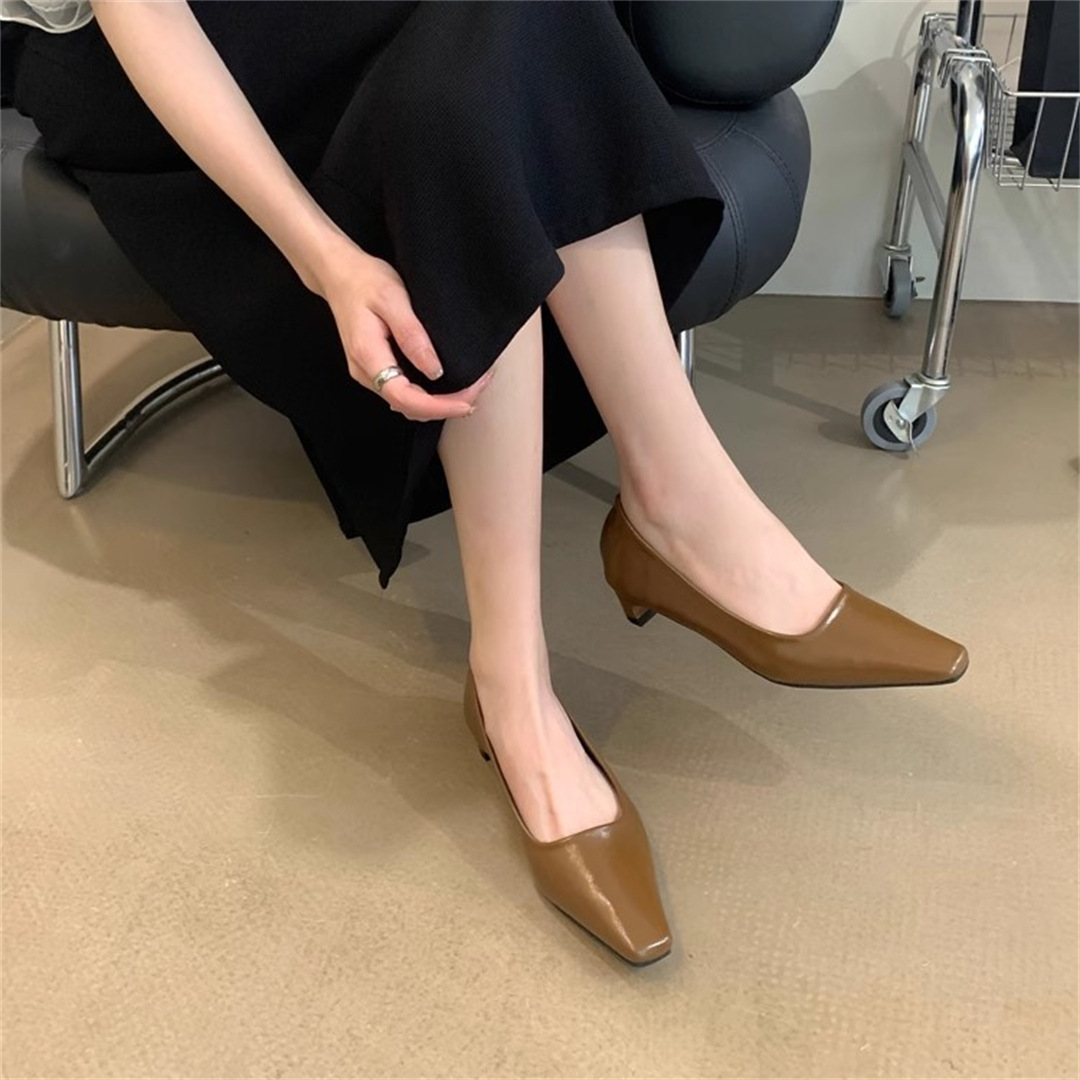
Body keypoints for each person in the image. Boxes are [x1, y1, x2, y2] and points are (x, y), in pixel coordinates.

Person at [4, 0, 968, 966]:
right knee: (472, 89)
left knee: (492, 48)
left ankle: (629, 552)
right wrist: (328, 261)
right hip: (143, 62)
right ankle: (565, 639)